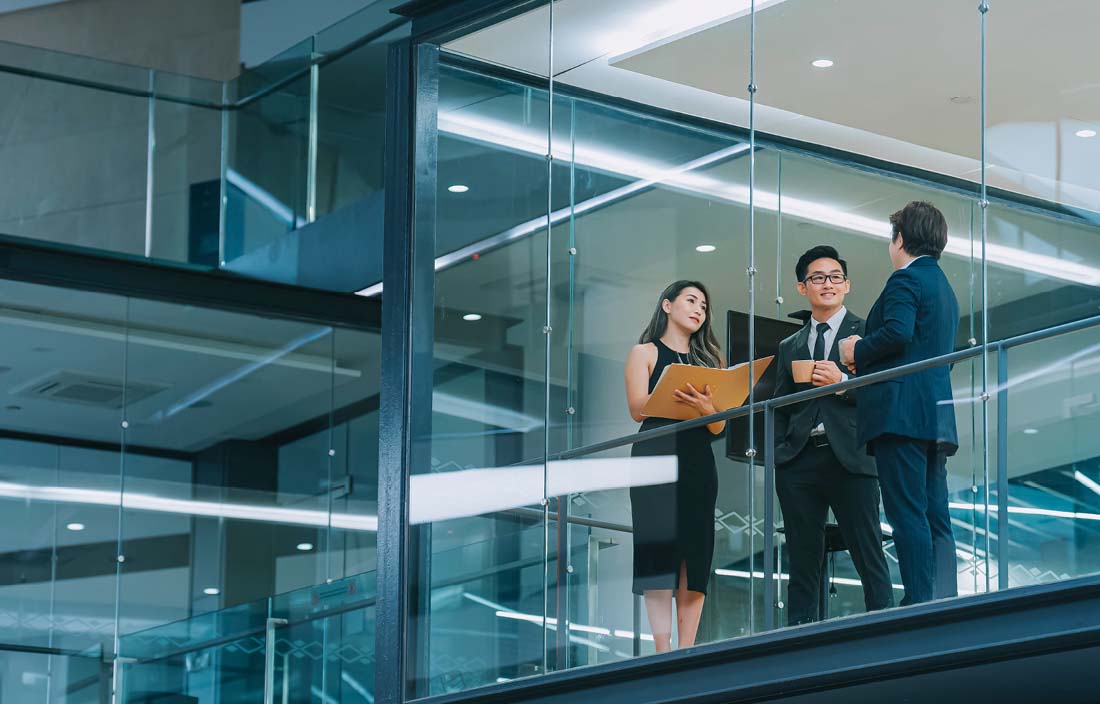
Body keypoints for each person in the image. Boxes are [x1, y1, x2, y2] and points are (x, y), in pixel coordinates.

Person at [839, 201, 960, 606]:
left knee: (906, 510)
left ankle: (920, 602)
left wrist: (857, 348)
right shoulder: (944, 287)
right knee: (934, 513)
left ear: (901, 239)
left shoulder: (904, 281)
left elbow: (897, 332)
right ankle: (943, 599)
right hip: (935, 415)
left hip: (900, 414)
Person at [772, 245, 894, 625]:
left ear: (847, 285)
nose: (827, 284)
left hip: (852, 456)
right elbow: (778, 403)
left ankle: (884, 632)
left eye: (835, 277)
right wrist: (780, 450)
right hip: (800, 460)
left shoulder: (868, 332)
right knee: (802, 560)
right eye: (817, 278)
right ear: (801, 288)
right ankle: (796, 645)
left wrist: (843, 382)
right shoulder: (789, 346)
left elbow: (884, 391)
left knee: (868, 552)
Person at [624, 280, 726, 652]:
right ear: (667, 305)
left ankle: (687, 649)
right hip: (655, 454)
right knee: (658, 550)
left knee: (695, 553)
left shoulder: (711, 362)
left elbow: (719, 426)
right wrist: (673, 392)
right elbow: (637, 408)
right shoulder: (645, 352)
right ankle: (662, 651)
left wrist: (706, 410)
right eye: (691, 300)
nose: (699, 309)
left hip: (698, 459)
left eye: (704, 304)